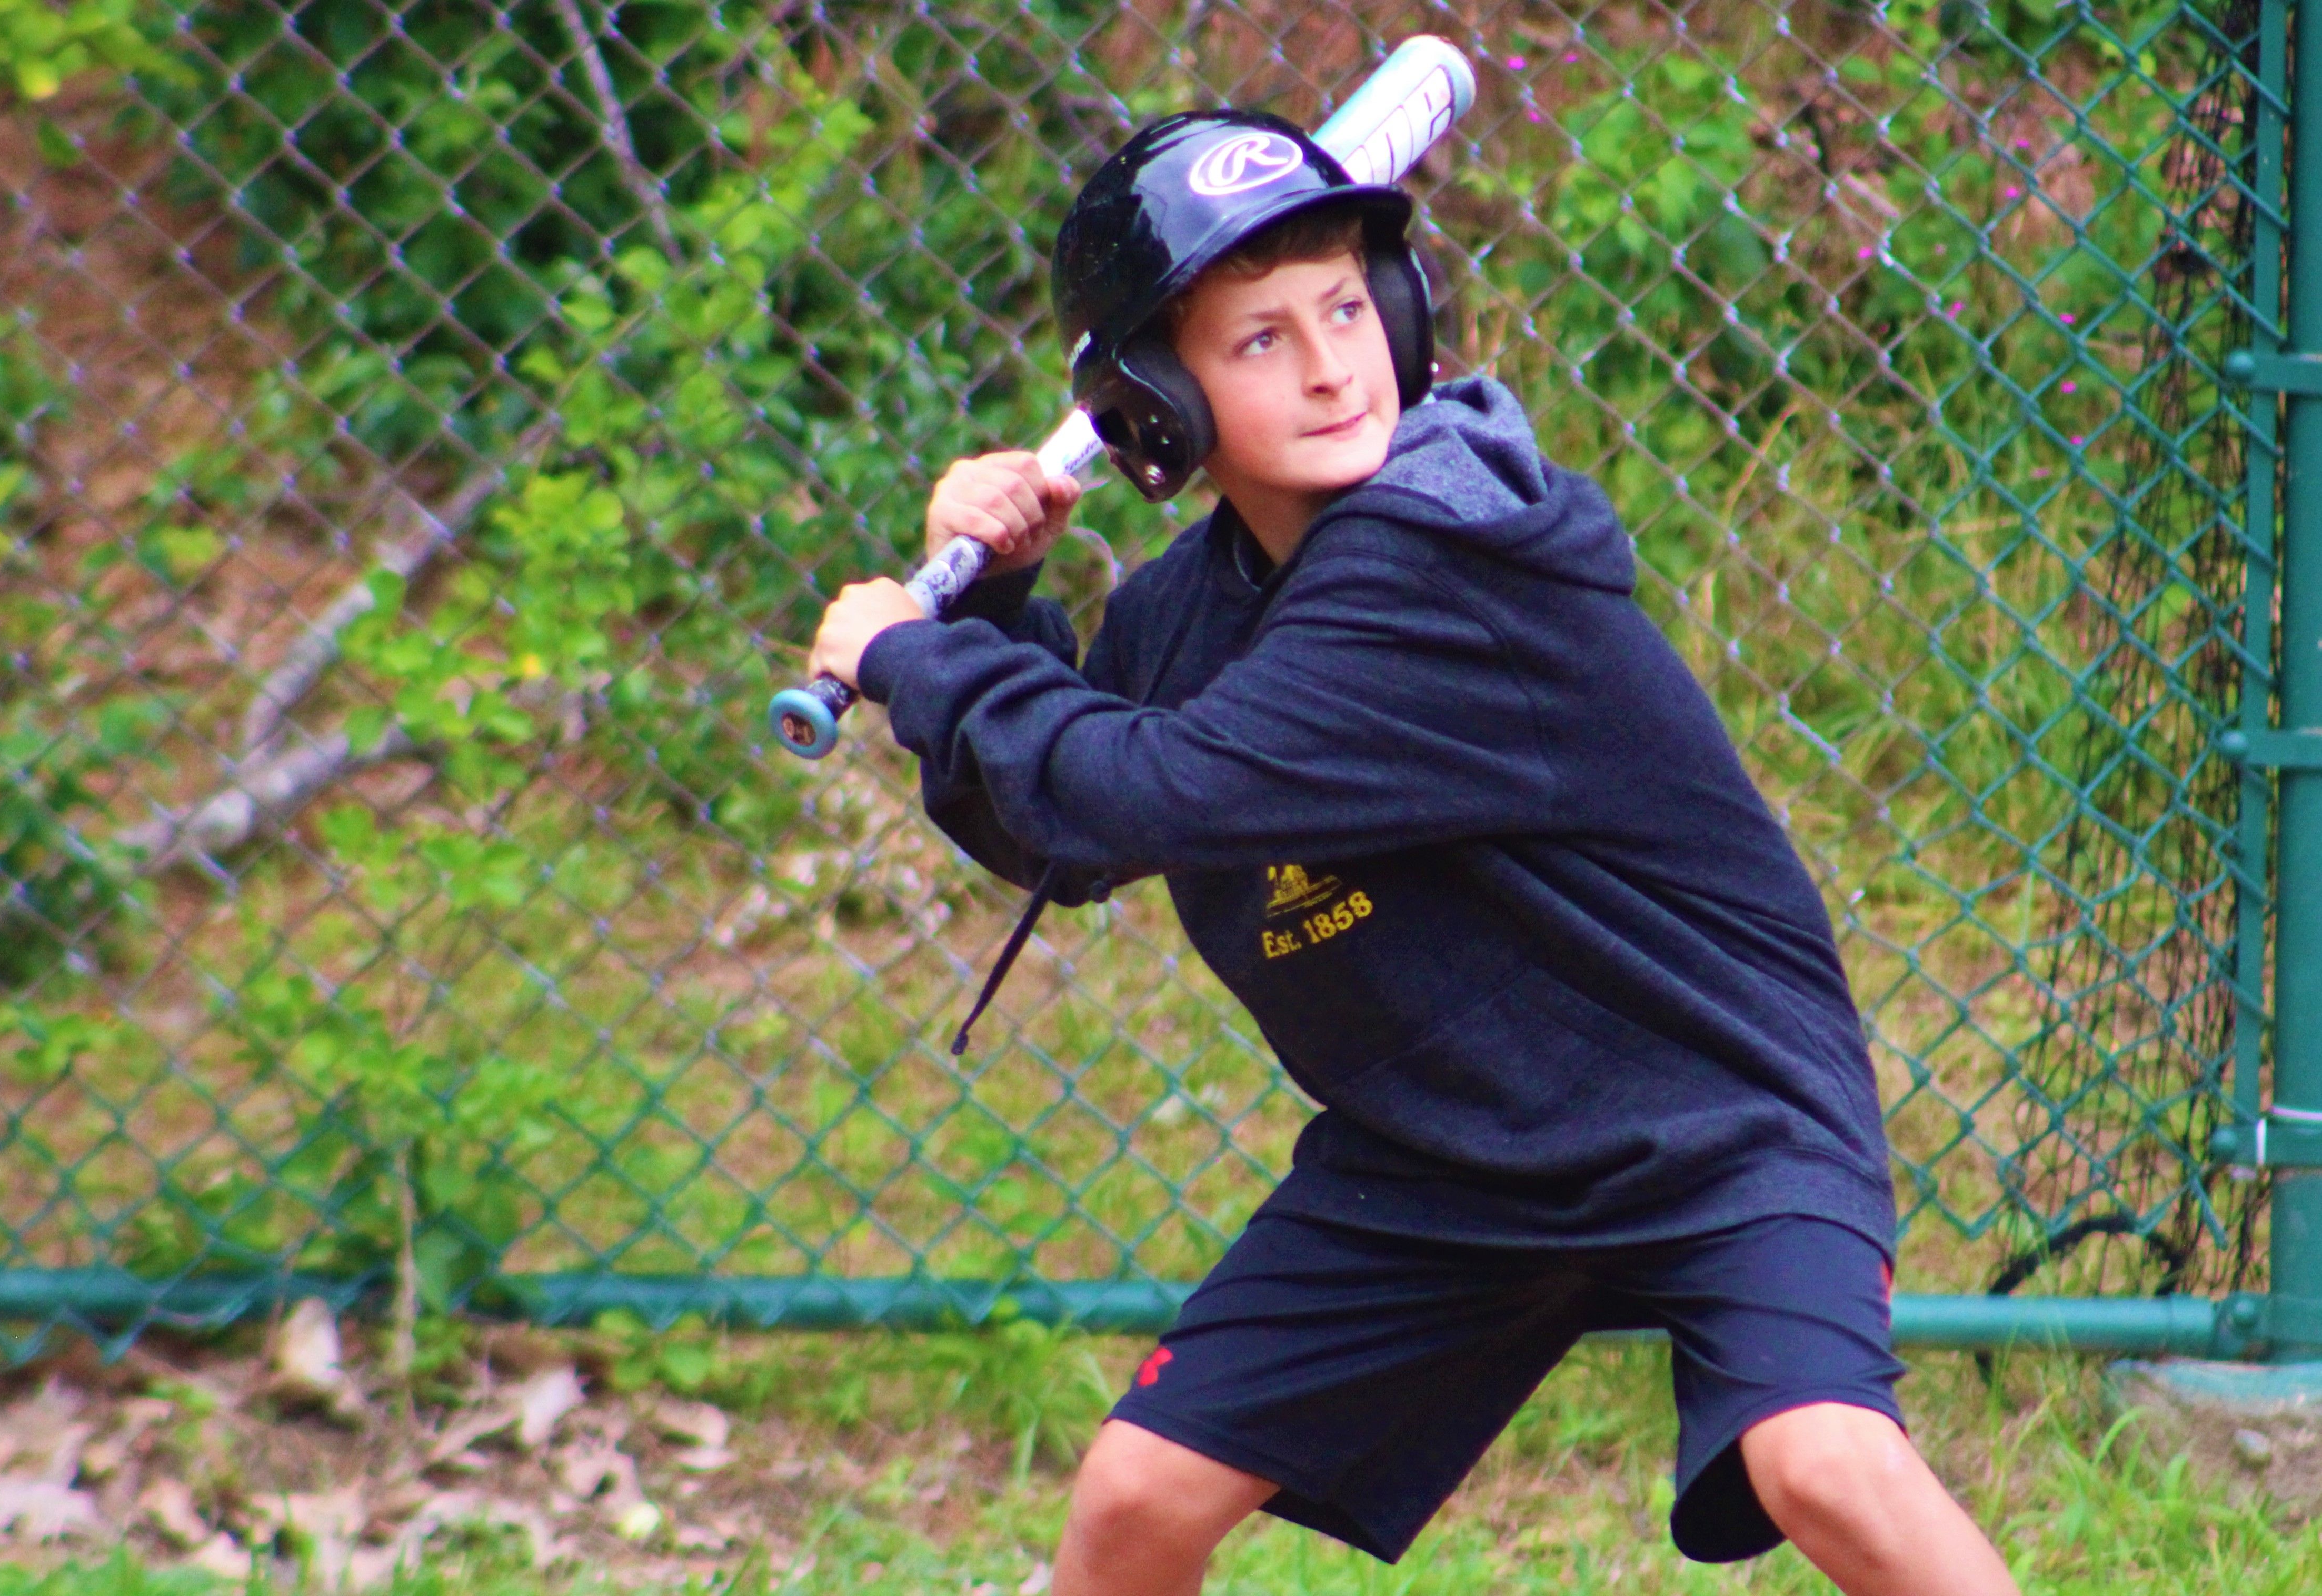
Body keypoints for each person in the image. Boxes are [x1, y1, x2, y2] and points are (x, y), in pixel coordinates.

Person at [806, 108, 2018, 1596]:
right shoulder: (1199, 604)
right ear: (1152, 409)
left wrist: (906, 661)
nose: (1328, 364)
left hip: (1708, 1111)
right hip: (1451, 1151)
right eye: (1256, 340)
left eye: (1343, 308)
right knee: (1134, 1499)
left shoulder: (1435, 556)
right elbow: (1055, 834)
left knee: (1821, 1459)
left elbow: (1139, 792)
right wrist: (993, 608)